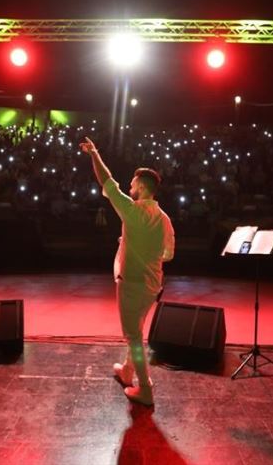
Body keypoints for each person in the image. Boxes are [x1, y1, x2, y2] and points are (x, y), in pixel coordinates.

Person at [80, 136, 174, 406]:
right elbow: (168, 254)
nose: (130, 186)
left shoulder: (132, 211)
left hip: (132, 285)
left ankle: (145, 388)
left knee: (133, 337)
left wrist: (94, 153)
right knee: (137, 330)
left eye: (133, 183)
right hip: (153, 286)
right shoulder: (165, 219)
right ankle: (126, 370)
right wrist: (142, 248)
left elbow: (107, 181)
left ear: (141, 187)